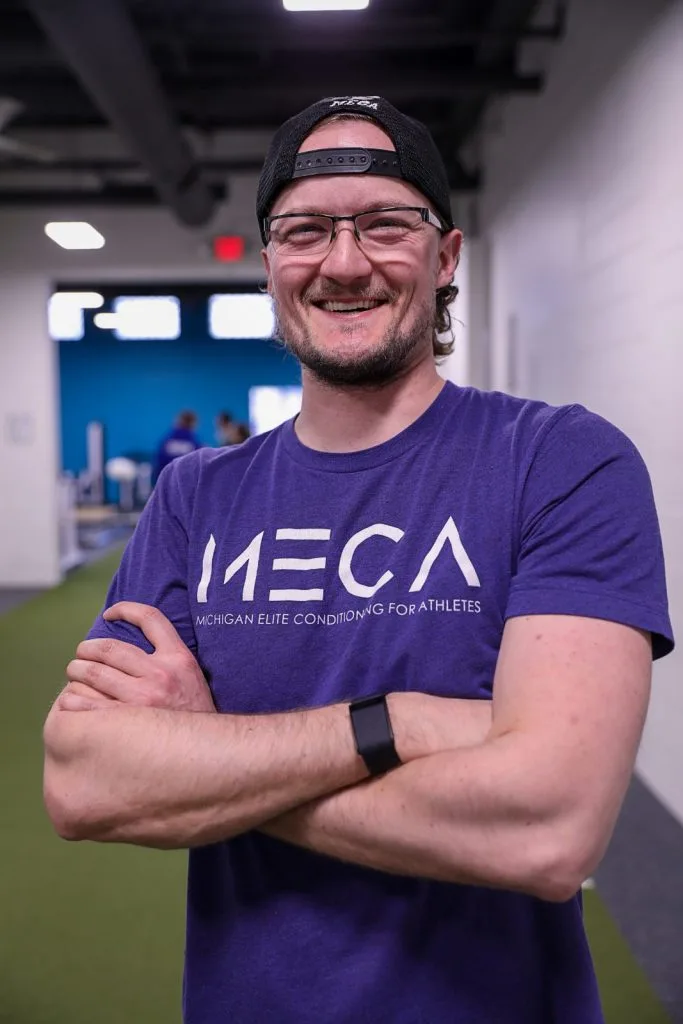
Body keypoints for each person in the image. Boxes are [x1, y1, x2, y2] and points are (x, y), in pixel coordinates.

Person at [43, 96, 674, 1024]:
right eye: (304, 231)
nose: (343, 262)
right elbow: (85, 782)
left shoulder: (562, 461)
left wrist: (211, 763)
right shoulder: (195, 497)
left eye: (384, 224)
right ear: (269, 266)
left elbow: (548, 827)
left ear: (445, 257)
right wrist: (401, 723)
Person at [153, 409, 201, 481]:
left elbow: (158, 461)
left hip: (164, 481)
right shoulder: (195, 444)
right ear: (193, 423)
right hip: (186, 484)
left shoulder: (167, 440)